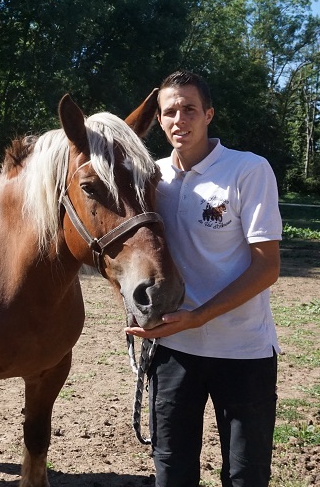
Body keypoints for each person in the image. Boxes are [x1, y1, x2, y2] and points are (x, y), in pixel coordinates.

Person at [125, 70, 282, 487]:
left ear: (208, 113)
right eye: (170, 111)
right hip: (174, 350)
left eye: (189, 109)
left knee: (245, 476)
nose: (180, 119)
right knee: (172, 473)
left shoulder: (247, 170)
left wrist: (200, 316)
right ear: (159, 121)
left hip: (244, 351)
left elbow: (267, 267)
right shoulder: (150, 177)